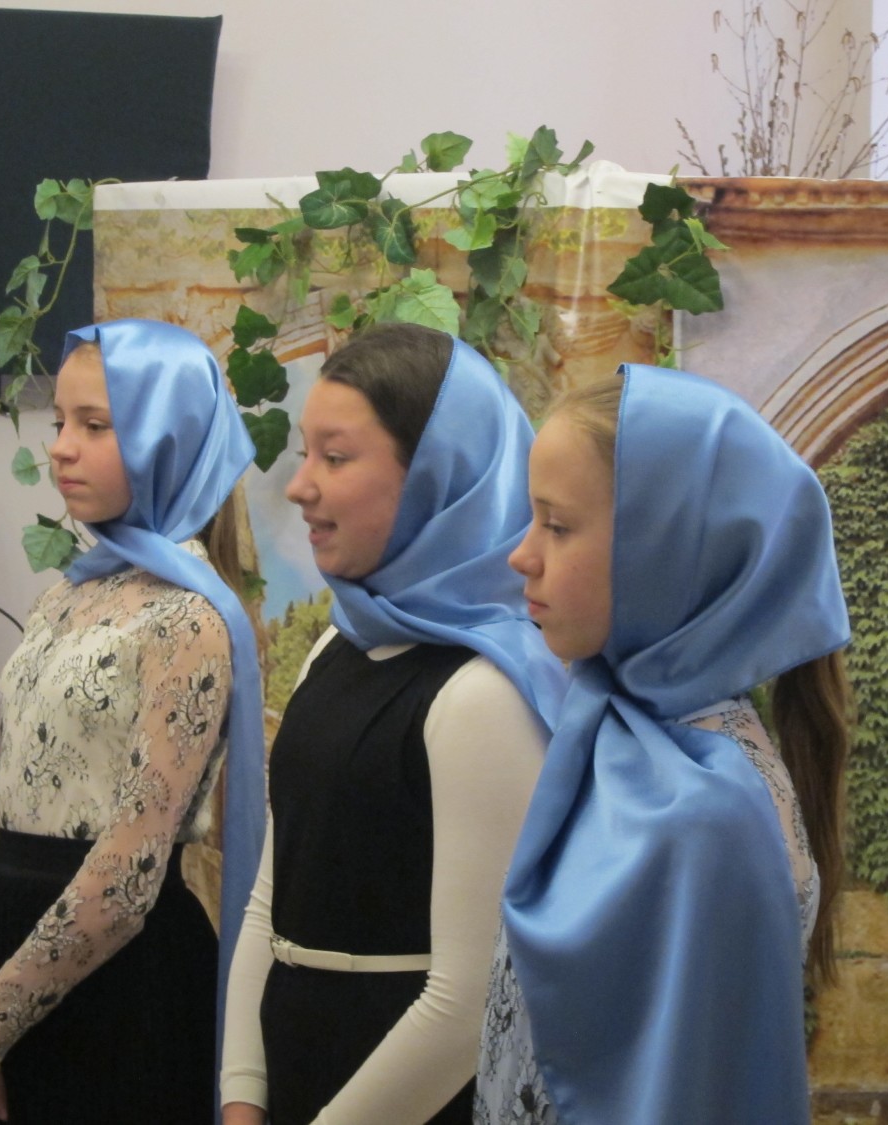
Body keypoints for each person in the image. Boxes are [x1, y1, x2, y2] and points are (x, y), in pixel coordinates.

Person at [475, 366, 852, 1124]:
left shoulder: (709, 817)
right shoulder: (619, 737)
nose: (522, 554)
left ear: (665, 554)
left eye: (557, 525)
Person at [0, 319, 266, 1125]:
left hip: (120, 994)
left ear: (166, 439)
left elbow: (130, 873)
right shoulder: (64, 597)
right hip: (10, 981)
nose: (62, 447)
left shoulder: (188, 619)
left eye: (95, 425)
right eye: (60, 421)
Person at [220, 323, 567, 1125]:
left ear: (435, 476)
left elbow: (467, 1003)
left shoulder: (482, 693)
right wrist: (241, 1093)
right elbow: (270, 898)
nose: (300, 485)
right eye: (304, 453)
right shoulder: (337, 648)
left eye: (335, 458)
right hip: (297, 1073)